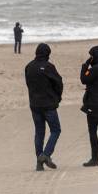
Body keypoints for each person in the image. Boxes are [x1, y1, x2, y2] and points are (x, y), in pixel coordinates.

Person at [24, 43, 63, 171]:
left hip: (34, 104)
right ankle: (45, 155)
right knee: (56, 130)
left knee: (39, 132)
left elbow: (28, 84)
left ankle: (39, 162)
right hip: (48, 105)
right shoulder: (49, 67)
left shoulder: (29, 67)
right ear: (47, 54)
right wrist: (57, 97)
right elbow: (58, 83)